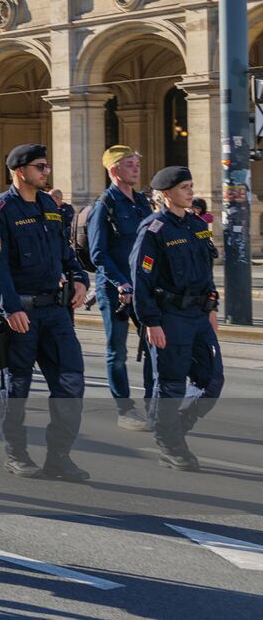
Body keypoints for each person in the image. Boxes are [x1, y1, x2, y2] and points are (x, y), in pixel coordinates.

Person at [0, 144, 90, 481]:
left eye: (47, 165)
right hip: (21, 315)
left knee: (71, 383)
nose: (46, 172)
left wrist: (80, 279)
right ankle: (17, 454)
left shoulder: (50, 208)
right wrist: (10, 307)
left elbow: (66, 253)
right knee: (16, 388)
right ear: (20, 171)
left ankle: (59, 457)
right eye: (40, 167)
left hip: (55, 312)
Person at [130, 166, 224, 471]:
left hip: (198, 314)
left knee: (212, 381)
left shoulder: (196, 225)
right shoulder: (154, 229)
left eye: (191, 186)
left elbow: (206, 272)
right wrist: (151, 322)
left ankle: (173, 426)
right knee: (170, 384)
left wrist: (211, 309)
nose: (191, 191)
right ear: (166, 194)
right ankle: (171, 445)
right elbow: (141, 280)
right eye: (184, 187)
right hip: (170, 317)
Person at [86, 145, 154, 431]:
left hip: (143, 287)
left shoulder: (142, 202)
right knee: (117, 350)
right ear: (114, 170)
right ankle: (124, 409)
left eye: (137, 163)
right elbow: (98, 253)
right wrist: (120, 282)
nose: (136, 168)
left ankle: (155, 406)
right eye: (129, 164)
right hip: (115, 290)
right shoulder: (105, 204)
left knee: (155, 345)